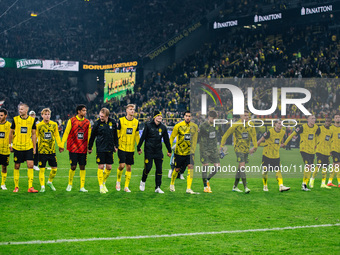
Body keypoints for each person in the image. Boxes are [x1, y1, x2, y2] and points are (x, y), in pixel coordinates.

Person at [220, 110, 257, 193]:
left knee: (240, 168)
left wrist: (255, 146)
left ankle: (235, 186)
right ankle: (245, 187)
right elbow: (226, 134)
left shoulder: (251, 125)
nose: (247, 117)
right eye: (245, 115)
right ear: (241, 116)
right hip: (238, 148)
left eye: (248, 115)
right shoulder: (236, 124)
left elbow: (254, 136)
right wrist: (222, 145)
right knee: (243, 166)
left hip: (246, 149)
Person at [137, 110, 172, 193]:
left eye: (161, 116)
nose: (160, 117)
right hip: (149, 151)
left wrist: (169, 150)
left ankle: (158, 187)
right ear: (155, 117)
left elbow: (166, 140)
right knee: (148, 168)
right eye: (158, 116)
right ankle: (143, 181)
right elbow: (143, 138)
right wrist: (138, 148)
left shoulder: (163, 127)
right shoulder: (148, 125)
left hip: (158, 151)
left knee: (159, 169)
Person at [284, 115, 320, 191]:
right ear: (308, 120)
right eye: (312, 118)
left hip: (312, 151)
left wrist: (316, 144)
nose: (314, 120)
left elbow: (316, 136)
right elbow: (292, 134)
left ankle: (305, 184)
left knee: (310, 168)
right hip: (304, 150)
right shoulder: (302, 127)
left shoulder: (316, 127)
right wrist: (285, 143)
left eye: (314, 118)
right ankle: (304, 185)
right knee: (308, 166)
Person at [61, 104, 91, 192]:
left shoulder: (87, 122)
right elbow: (66, 132)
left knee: (82, 166)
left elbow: (89, 135)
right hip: (73, 147)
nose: (85, 112)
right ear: (79, 111)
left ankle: (82, 187)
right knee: (73, 166)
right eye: (83, 110)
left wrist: (90, 146)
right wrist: (62, 144)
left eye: (85, 110)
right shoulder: (72, 121)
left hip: (83, 148)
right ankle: (69, 184)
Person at [8, 103, 38, 193]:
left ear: (26, 110)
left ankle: (30, 187)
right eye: (19, 109)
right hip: (17, 147)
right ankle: (16, 186)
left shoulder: (32, 120)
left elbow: (33, 134)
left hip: (28, 146)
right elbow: (10, 133)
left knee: (30, 165)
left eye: (21, 109)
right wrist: (10, 145)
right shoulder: (15, 119)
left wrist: (34, 147)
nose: (19, 111)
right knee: (17, 166)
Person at [88, 108, 118, 194]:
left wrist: (116, 145)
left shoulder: (112, 122)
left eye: (102, 116)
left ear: (107, 116)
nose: (100, 117)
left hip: (109, 148)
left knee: (109, 167)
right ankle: (101, 186)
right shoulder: (97, 123)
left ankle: (104, 182)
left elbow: (115, 135)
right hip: (100, 148)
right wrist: (90, 147)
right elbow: (92, 136)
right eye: (100, 116)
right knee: (100, 167)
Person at [169, 111, 199, 194]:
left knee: (190, 167)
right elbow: (172, 137)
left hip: (189, 152)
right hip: (179, 152)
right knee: (177, 169)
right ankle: (172, 183)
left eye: (189, 116)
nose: (188, 117)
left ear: (191, 117)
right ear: (184, 116)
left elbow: (195, 139)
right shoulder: (178, 126)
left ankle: (188, 188)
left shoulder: (194, 127)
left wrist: (193, 150)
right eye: (186, 116)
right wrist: (169, 149)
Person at [257, 119, 290, 192]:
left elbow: (280, 142)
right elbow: (261, 139)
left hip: (276, 155)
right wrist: (255, 147)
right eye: (279, 123)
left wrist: (283, 145)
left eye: (281, 124)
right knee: (265, 172)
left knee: (278, 170)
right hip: (267, 155)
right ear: (275, 124)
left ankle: (281, 186)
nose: (280, 125)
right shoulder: (269, 132)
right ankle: (265, 186)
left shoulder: (283, 132)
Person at [36, 108, 63, 192]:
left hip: (51, 150)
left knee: (54, 169)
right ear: (42, 115)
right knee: (42, 169)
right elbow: (35, 137)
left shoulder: (54, 124)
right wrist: (33, 147)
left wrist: (60, 145)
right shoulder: (39, 125)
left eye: (48, 114)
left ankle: (49, 182)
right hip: (42, 150)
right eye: (45, 114)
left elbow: (57, 136)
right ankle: (42, 186)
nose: (47, 116)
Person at [116, 104, 140, 192]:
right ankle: (118, 181)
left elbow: (137, 135)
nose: (132, 111)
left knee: (129, 167)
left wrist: (139, 146)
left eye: (133, 109)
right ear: (126, 111)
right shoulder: (121, 121)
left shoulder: (136, 122)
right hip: (122, 147)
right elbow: (117, 133)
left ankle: (126, 186)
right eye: (130, 109)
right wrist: (115, 144)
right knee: (122, 165)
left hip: (131, 148)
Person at [198, 110, 221, 193]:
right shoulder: (203, 126)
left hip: (214, 149)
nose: (214, 120)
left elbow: (219, 134)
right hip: (204, 148)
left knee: (218, 167)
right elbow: (198, 136)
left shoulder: (217, 125)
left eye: (215, 118)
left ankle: (207, 179)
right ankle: (205, 187)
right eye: (213, 118)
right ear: (209, 117)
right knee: (205, 166)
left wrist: (220, 147)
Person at [309, 117, 332, 189]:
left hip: (327, 152)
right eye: (327, 121)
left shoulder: (331, 131)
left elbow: (330, 141)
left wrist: (330, 150)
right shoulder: (319, 128)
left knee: (325, 167)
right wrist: (314, 144)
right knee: (318, 166)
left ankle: (323, 183)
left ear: (330, 123)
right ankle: (311, 181)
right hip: (319, 150)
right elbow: (314, 135)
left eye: (329, 121)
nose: (328, 122)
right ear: (325, 122)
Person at [327, 112, 340, 187]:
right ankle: (339, 183)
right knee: (338, 165)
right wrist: (329, 150)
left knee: (335, 165)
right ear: (334, 119)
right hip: (334, 149)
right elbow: (328, 140)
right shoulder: (331, 128)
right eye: (336, 117)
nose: (338, 118)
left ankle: (329, 182)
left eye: (339, 117)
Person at [0, 109, 11, 190]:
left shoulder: (9, 126)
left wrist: (12, 145)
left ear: (5, 116)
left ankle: (3, 184)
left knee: (4, 167)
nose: (0, 117)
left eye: (1, 115)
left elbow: (13, 136)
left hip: (5, 150)